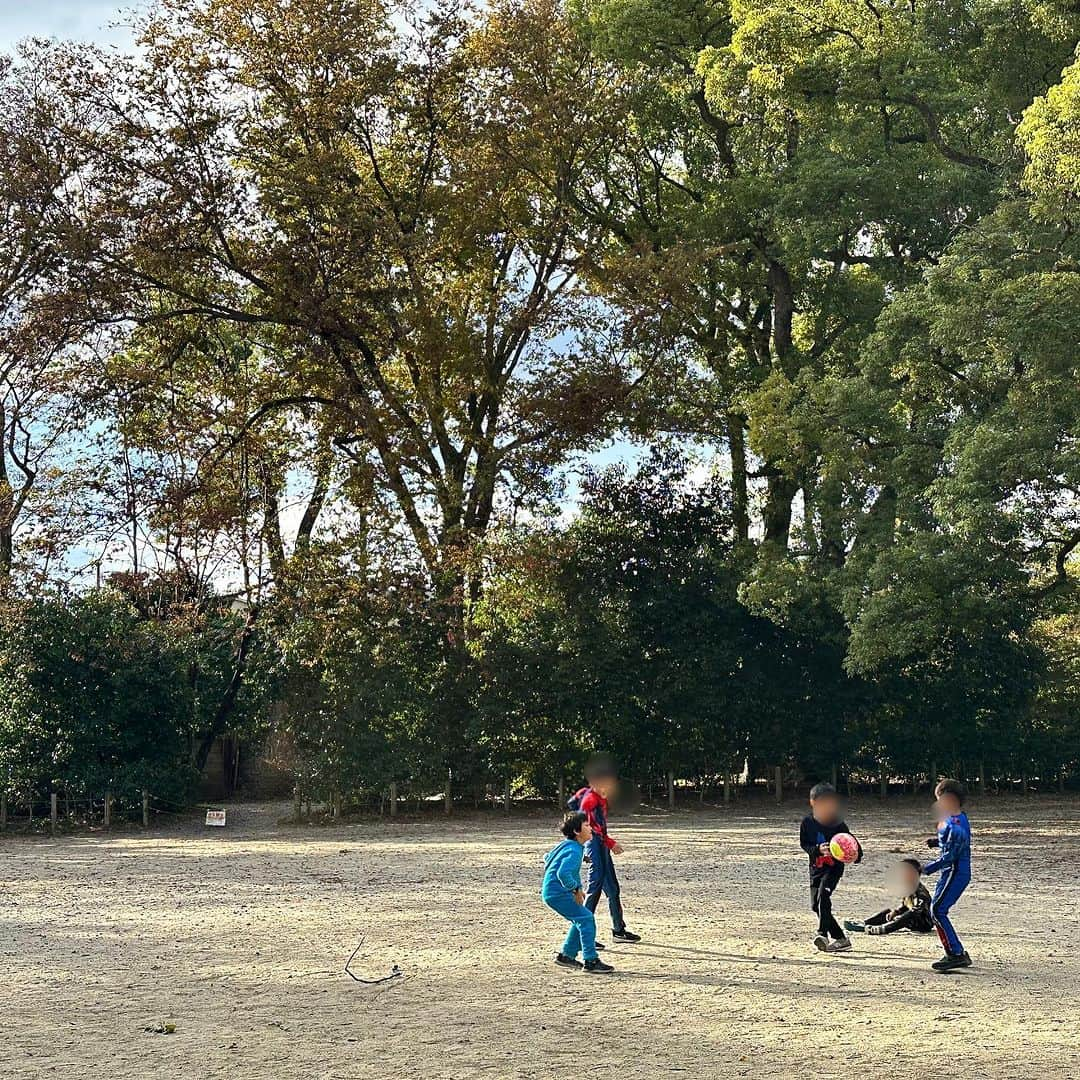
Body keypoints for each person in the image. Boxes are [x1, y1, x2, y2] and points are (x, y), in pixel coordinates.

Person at [541, 811, 614, 974]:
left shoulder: (569, 846)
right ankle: (590, 960)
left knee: (580, 918)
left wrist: (581, 859)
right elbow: (563, 874)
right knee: (586, 918)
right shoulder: (574, 851)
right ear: (576, 831)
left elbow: (547, 857)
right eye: (587, 825)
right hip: (558, 893)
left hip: (552, 892)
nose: (591, 828)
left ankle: (566, 955)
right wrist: (575, 889)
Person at [579, 764, 641, 944]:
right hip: (594, 845)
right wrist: (610, 843)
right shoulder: (590, 799)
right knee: (594, 890)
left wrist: (607, 843)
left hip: (600, 845)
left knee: (612, 888)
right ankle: (583, 936)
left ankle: (619, 930)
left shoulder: (600, 799)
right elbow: (592, 828)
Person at [799, 782, 862, 953]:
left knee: (823, 897)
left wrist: (857, 856)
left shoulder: (837, 824)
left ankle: (822, 933)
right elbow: (805, 844)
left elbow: (852, 842)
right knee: (815, 905)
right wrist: (817, 850)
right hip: (815, 869)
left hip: (833, 869)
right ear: (814, 803)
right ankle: (841, 939)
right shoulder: (807, 823)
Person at [922, 778, 973, 972]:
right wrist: (937, 842)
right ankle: (956, 951)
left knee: (938, 910)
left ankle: (955, 953)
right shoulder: (957, 819)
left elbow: (951, 856)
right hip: (952, 872)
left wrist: (925, 869)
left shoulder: (958, 825)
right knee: (937, 910)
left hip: (955, 872)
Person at [844, 858, 934, 936]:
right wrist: (897, 912)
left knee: (907, 916)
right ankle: (865, 923)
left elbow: (916, 911)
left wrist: (900, 917)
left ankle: (883, 929)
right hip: (913, 918)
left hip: (923, 924)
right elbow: (905, 904)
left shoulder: (920, 892)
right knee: (889, 912)